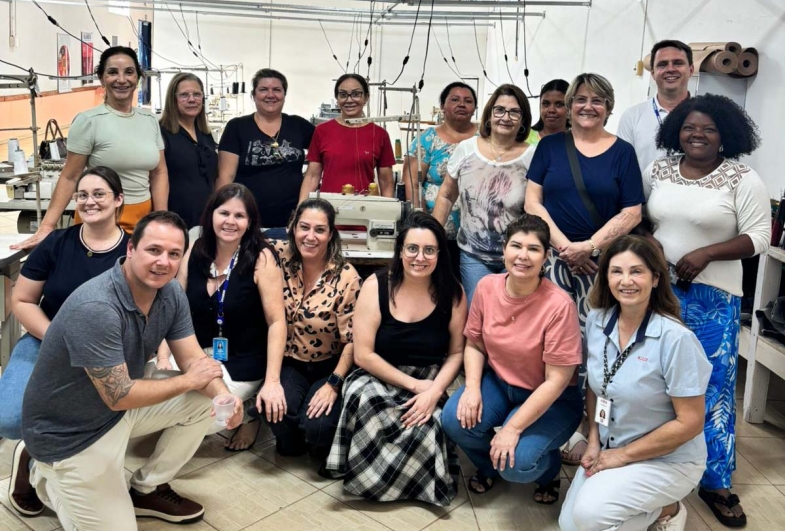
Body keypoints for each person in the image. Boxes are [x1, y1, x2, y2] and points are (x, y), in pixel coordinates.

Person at [18, 211, 245, 529]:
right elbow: (119, 395)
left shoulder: (170, 293)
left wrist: (224, 397)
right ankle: (40, 469)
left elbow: (194, 359)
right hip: (68, 432)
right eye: (154, 250)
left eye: (174, 254)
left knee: (203, 400)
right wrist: (190, 380)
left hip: (114, 412)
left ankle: (147, 488)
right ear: (130, 250)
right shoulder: (96, 307)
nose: (163, 262)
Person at [644, 94, 771, 528]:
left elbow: (759, 237)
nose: (697, 135)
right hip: (658, 292)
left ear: (726, 136)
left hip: (714, 297)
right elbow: (642, 219)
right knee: (655, 380)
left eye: (709, 129)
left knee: (713, 390)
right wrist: (653, 246)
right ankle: (658, 464)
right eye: (689, 128)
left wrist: (707, 254)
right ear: (676, 130)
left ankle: (715, 481)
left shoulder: (742, 177)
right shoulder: (658, 169)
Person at [559, 235, 711, 531]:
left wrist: (621, 456)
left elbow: (691, 422)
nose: (626, 280)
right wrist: (593, 440)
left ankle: (668, 508)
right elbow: (596, 385)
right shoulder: (598, 320)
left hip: (668, 460)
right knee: (570, 525)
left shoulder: (676, 339)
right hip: (610, 446)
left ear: (655, 279)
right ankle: (654, 510)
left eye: (637, 271)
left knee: (590, 517)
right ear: (605, 277)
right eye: (616, 271)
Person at [0, 166, 128, 517]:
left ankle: (38, 459)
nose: (90, 201)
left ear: (118, 199)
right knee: (9, 420)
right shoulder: (57, 242)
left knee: (95, 419)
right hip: (45, 341)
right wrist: (57, 336)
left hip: (105, 354)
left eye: (99, 194)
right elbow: (22, 300)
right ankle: (31, 448)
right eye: (82, 195)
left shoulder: (132, 252)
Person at [324, 211, 467, 506]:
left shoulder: (453, 293)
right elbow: (363, 354)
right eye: (412, 249)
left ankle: (411, 487)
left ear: (440, 254)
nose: (420, 257)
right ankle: (372, 483)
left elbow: (456, 353)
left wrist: (434, 391)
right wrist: (415, 387)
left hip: (430, 378)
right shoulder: (376, 285)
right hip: (377, 373)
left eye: (429, 250)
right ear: (400, 251)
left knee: (426, 424)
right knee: (373, 405)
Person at [442, 214, 583, 505]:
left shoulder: (559, 306)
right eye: (516, 246)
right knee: (454, 421)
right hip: (500, 383)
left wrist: (512, 429)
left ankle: (549, 470)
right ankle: (487, 464)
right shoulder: (486, 287)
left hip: (552, 398)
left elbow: (556, 381)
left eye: (533, 249)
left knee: (517, 464)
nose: (523, 255)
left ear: (546, 257)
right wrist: (471, 387)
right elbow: (475, 344)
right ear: (504, 249)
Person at [153, 184, 287, 451]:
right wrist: (163, 356)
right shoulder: (195, 251)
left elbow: (277, 322)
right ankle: (244, 411)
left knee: (206, 415)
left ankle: (249, 413)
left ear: (250, 223)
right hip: (194, 353)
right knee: (158, 402)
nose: (230, 222)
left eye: (239, 216)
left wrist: (272, 382)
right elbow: (174, 309)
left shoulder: (262, 258)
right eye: (223, 212)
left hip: (242, 361)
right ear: (211, 215)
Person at [13, 46, 167, 250]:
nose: (122, 79)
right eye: (113, 72)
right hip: (101, 217)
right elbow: (70, 176)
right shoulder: (88, 121)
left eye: (129, 72)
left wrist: (162, 218)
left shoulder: (149, 120)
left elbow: (159, 172)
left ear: (138, 78)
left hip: (143, 218)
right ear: (102, 79)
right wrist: (47, 227)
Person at [525, 73, 644, 328]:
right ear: (570, 107)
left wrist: (589, 247)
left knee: (597, 330)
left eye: (597, 101)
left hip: (601, 260)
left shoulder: (623, 152)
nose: (588, 107)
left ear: (609, 108)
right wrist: (568, 249)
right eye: (580, 100)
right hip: (554, 255)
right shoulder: (549, 147)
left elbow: (632, 212)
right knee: (551, 328)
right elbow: (532, 202)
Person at [257, 198, 361, 464]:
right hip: (289, 362)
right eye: (304, 227)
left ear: (331, 234)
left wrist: (334, 384)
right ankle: (290, 442)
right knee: (274, 411)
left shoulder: (346, 276)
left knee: (317, 427)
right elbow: (241, 240)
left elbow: (352, 341)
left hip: (328, 365)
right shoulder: (277, 255)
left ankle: (317, 439)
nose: (310, 236)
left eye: (319, 230)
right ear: (292, 228)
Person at [433, 84, 535, 305]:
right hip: (473, 255)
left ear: (523, 119)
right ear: (489, 114)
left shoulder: (532, 157)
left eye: (514, 112)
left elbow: (535, 207)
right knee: (477, 314)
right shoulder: (467, 149)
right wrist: (431, 236)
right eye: (499, 110)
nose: (505, 117)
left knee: (512, 315)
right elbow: (447, 195)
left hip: (518, 257)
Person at [217, 69, 315, 239]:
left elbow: (327, 150)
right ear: (253, 95)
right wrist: (223, 214)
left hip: (291, 220)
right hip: (246, 220)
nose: (270, 95)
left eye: (277, 89)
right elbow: (226, 176)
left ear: (284, 94)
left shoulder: (298, 125)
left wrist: (307, 178)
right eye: (263, 89)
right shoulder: (237, 127)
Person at [403, 82, 478, 279]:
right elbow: (412, 182)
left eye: (468, 101)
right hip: (437, 233)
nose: (462, 104)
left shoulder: (484, 138)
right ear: (443, 106)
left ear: (475, 109)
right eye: (455, 99)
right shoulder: (426, 139)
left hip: (477, 236)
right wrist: (425, 223)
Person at [299, 74, 395, 200]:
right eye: (343, 95)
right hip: (327, 209)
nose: (349, 100)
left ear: (366, 97)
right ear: (337, 99)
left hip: (365, 210)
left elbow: (386, 182)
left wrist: (387, 213)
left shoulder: (379, 134)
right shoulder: (322, 131)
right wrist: (301, 209)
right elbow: (312, 176)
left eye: (356, 94)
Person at [618, 40, 694, 173]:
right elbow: (622, 168)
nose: (670, 69)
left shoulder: (707, 116)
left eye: (678, 63)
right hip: (643, 194)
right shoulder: (632, 116)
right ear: (653, 73)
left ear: (691, 70)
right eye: (662, 64)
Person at [160, 73, 218, 228]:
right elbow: (156, 179)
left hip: (206, 219)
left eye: (197, 94)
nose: (192, 100)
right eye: (184, 95)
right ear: (173, 99)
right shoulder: (162, 133)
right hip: (175, 220)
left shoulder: (205, 134)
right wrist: (162, 220)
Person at [527, 79, 570, 146]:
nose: (551, 110)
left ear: (570, 107)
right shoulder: (525, 138)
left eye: (559, 104)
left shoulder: (578, 140)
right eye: (546, 104)